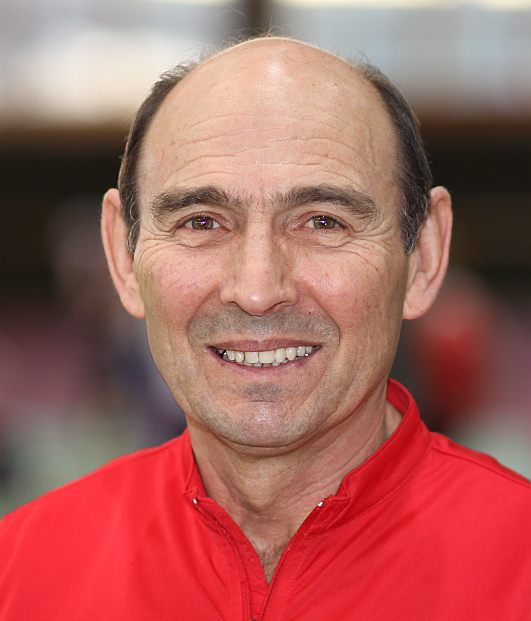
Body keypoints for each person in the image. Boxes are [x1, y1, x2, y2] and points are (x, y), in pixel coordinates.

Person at [1, 36, 530, 620]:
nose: (257, 290)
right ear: (123, 258)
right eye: (201, 222)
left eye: (323, 222)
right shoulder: (21, 573)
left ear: (423, 257)